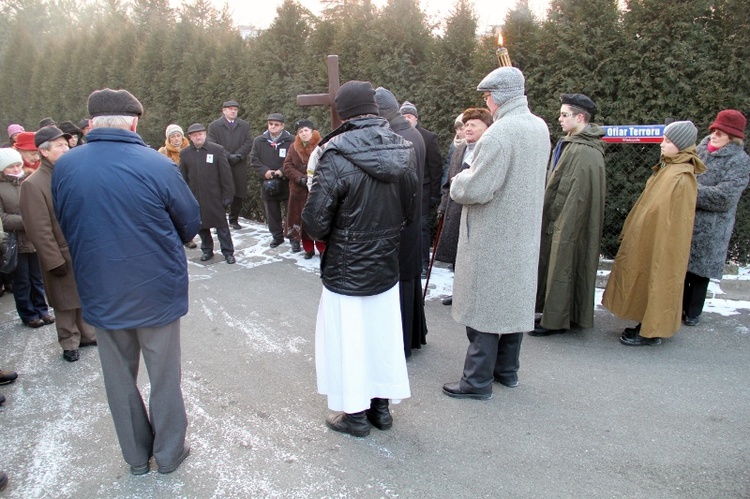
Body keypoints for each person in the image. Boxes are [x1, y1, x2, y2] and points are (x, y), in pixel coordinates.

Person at [52, 88, 200, 474]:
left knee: (118, 378)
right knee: (164, 377)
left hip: (100, 287)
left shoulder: (66, 166)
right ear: (133, 122)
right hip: (156, 289)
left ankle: (136, 458)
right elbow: (189, 222)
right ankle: (169, 454)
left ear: (91, 124)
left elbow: (66, 222)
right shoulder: (156, 164)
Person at [302, 80, 418, 437]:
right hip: (384, 263)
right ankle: (381, 410)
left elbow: (315, 223)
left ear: (343, 113)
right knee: (380, 336)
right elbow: (411, 209)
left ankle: (355, 415)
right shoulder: (404, 147)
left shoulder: (334, 154)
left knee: (349, 339)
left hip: (346, 266)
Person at [442, 67, 550, 400]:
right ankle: (507, 371)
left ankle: (476, 382)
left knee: (485, 307)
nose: (486, 103)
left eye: (487, 96)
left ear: (498, 96)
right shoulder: (538, 126)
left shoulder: (500, 133)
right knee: (512, 303)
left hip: (494, 234)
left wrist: (459, 180)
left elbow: (476, 188)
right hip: (524, 233)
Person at [602, 121, 705, 346]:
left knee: (660, 280)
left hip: (664, 242)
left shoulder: (682, 175)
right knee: (646, 278)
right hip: (652, 237)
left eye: (668, 141)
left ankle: (651, 332)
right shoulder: (669, 167)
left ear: (681, 145)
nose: (662, 144)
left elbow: (677, 221)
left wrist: (661, 244)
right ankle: (646, 324)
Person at [20, 126, 97, 363]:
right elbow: (38, 228)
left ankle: (86, 334)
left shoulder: (72, 173)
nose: (66, 148)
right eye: (59, 146)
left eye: (66, 144)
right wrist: (53, 260)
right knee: (64, 302)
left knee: (83, 295)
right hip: (60, 253)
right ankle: (69, 342)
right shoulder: (33, 184)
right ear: (44, 152)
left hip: (81, 249)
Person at [532, 93, 606, 336]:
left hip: (568, 216)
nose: (560, 118)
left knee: (563, 258)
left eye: (565, 114)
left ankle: (555, 320)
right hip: (564, 213)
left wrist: (554, 215)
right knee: (562, 259)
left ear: (580, 117)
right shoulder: (575, 144)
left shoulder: (583, 150)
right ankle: (561, 313)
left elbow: (572, 191)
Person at [683, 110, 750, 325]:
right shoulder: (698, 150)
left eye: (721, 133)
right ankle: (677, 308)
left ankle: (693, 313)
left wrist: (690, 190)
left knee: (700, 274)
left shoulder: (739, 160)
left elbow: (725, 196)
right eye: (714, 130)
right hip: (686, 219)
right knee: (681, 268)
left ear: (732, 137)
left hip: (713, 226)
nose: (715, 135)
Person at [375, 86, 427, 358]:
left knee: (402, 279)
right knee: (408, 278)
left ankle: (402, 342)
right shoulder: (411, 132)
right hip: (410, 218)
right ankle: (414, 335)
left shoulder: (397, 137)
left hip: (401, 220)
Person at [434, 108, 493, 307]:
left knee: (473, 257)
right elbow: (447, 183)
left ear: (486, 128)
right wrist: (443, 206)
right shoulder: (459, 149)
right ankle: (459, 293)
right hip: (453, 209)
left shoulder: (488, 151)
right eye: (466, 124)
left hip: (474, 212)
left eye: (473, 124)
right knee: (457, 256)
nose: (468, 128)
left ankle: (475, 296)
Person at [0, 147, 54, 330]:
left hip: (34, 239)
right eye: (11, 167)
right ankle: (28, 313)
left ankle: (42, 309)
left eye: (17, 165)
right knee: (22, 280)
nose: (16, 169)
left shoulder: (28, 181)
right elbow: (3, 219)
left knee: (37, 277)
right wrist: (29, 219)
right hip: (16, 241)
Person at [180, 123, 235, 264]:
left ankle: (228, 252)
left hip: (215, 197)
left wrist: (228, 195)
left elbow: (226, 175)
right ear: (190, 137)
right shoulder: (185, 153)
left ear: (205, 134)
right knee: (202, 227)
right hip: (195, 197)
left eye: (200, 134)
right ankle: (207, 250)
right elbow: (183, 178)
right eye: (195, 135)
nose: (198, 137)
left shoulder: (216, 150)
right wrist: (185, 198)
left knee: (222, 226)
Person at [400, 101, 443, 277]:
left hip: (423, 191)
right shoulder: (395, 135)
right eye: (403, 116)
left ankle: (424, 263)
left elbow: (435, 168)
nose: (406, 119)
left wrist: (434, 194)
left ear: (416, 118)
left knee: (422, 227)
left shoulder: (428, 137)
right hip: (403, 191)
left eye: (409, 116)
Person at [207, 100, 253, 230]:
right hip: (221, 164)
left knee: (239, 192)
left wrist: (238, 156)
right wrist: (227, 156)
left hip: (239, 163)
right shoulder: (214, 126)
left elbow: (248, 142)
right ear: (224, 110)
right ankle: (219, 221)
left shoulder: (244, 125)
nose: (233, 111)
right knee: (221, 192)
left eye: (235, 109)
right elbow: (212, 143)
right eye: (230, 109)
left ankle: (234, 219)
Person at [282, 119, 324, 257]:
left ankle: (322, 248)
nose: (303, 133)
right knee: (302, 220)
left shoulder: (322, 146)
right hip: (298, 190)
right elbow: (287, 166)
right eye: (300, 131)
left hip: (317, 189)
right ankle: (308, 249)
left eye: (306, 130)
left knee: (318, 220)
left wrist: (314, 178)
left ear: (312, 132)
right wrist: (300, 178)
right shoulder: (293, 147)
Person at [251, 113, 294, 247]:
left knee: (291, 212)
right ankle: (277, 236)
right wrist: (265, 172)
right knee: (272, 212)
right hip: (268, 182)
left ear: (282, 126)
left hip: (287, 182)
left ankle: (294, 238)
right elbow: (254, 160)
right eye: (271, 124)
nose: (273, 127)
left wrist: (282, 170)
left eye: (276, 125)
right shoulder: (259, 141)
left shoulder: (291, 140)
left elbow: (295, 159)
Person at [158, 124, 198, 249]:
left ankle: (189, 236)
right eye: (173, 137)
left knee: (189, 211)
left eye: (178, 136)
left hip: (190, 185)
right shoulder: (163, 152)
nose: (176, 139)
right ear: (169, 139)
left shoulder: (191, 149)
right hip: (172, 186)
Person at [442, 113, 465, 185]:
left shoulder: (473, 145)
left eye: (461, 129)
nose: (458, 132)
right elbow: (448, 166)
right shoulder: (454, 144)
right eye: (456, 129)